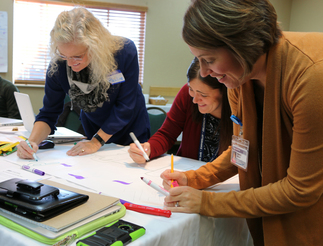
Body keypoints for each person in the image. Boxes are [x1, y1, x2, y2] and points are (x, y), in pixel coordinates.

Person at [161, 0, 323, 245]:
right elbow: (242, 150)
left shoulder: (311, 77)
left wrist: (207, 202)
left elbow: (301, 190)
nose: (204, 72)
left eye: (209, 59)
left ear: (242, 46)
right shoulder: (238, 78)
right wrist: (195, 179)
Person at [17, 7, 150, 159]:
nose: (70, 63)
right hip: (94, 129)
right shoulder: (58, 66)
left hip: (131, 131)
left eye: (77, 56)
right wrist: (31, 143)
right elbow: (48, 113)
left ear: (96, 46)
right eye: (64, 55)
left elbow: (126, 107)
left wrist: (97, 141)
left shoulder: (123, 52)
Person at [128, 57, 232, 164]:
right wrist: (148, 148)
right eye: (191, 89)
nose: (195, 100)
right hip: (186, 171)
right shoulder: (186, 95)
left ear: (224, 90)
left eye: (203, 94)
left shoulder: (239, 108)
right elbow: (167, 134)